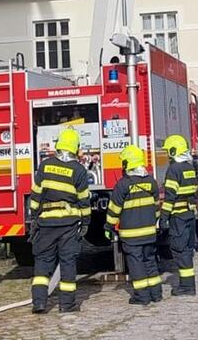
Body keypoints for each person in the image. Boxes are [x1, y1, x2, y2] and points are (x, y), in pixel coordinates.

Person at [28, 127, 91, 313]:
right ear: (75, 148)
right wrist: (86, 222)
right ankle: (67, 305)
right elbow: (84, 200)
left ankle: (39, 303)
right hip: (69, 225)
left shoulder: (45, 165)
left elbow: (35, 194)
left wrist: (33, 218)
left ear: (58, 145)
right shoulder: (79, 170)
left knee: (42, 263)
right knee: (67, 263)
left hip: (46, 223)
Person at [105, 144, 163, 305]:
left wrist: (108, 227)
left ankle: (142, 296)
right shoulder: (151, 182)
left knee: (136, 264)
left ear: (127, 164)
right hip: (150, 233)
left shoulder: (122, 185)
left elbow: (114, 210)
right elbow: (156, 207)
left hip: (131, 235)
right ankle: (156, 294)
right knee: (150, 261)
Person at [160, 134, 198, 296]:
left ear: (174, 151)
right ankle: (188, 284)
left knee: (180, 250)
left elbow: (169, 197)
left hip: (178, 217)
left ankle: (187, 287)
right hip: (189, 215)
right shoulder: (189, 168)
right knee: (187, 250)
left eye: (169, 151)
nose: (167, 155)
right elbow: (194, 194)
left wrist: (163, 218)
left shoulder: (173, 169)